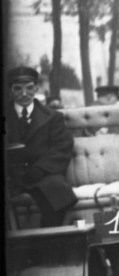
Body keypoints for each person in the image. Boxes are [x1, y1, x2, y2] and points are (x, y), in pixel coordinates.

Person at [4, 66, 77, 227]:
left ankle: (47, 241)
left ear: (36, 88)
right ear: (10, 90)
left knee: (58, 190)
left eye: (29, 88)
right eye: (18, 88)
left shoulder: (52, 117)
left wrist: (40, 169)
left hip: (42, 175)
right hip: (10, 177)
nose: (24, 94)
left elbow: (62, 147)